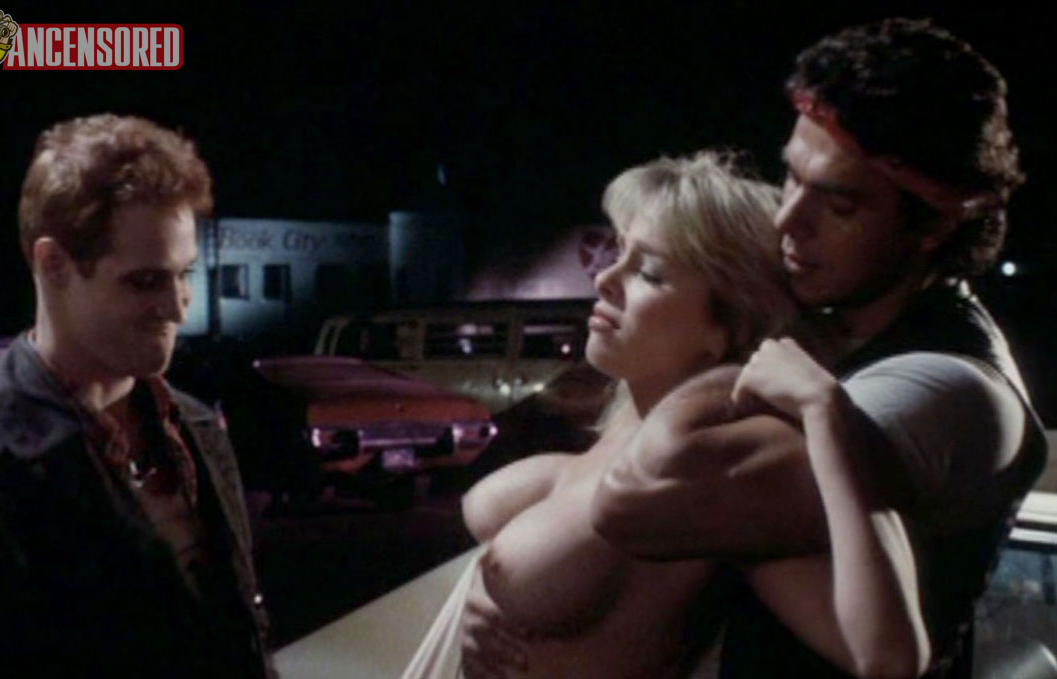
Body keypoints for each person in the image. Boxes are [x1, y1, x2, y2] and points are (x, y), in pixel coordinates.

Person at [590, 18, 1049, 678]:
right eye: (790, 177)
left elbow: (640, 495)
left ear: (934, 226)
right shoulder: (839, 322)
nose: (787, 219)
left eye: (838, 204)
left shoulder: (943, 389)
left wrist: (734, 353)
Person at [402, 151, 797, 679]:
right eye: (618, 251)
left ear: (727, 327)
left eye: (648, 272)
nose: (606, 277)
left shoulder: (705, 455)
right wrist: (482, 582)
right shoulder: (626, 419)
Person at [0, 114, 274, 678]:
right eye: (146, 281)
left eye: (185, 274)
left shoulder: (197, 426)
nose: (178, 307)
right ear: (53, 265)